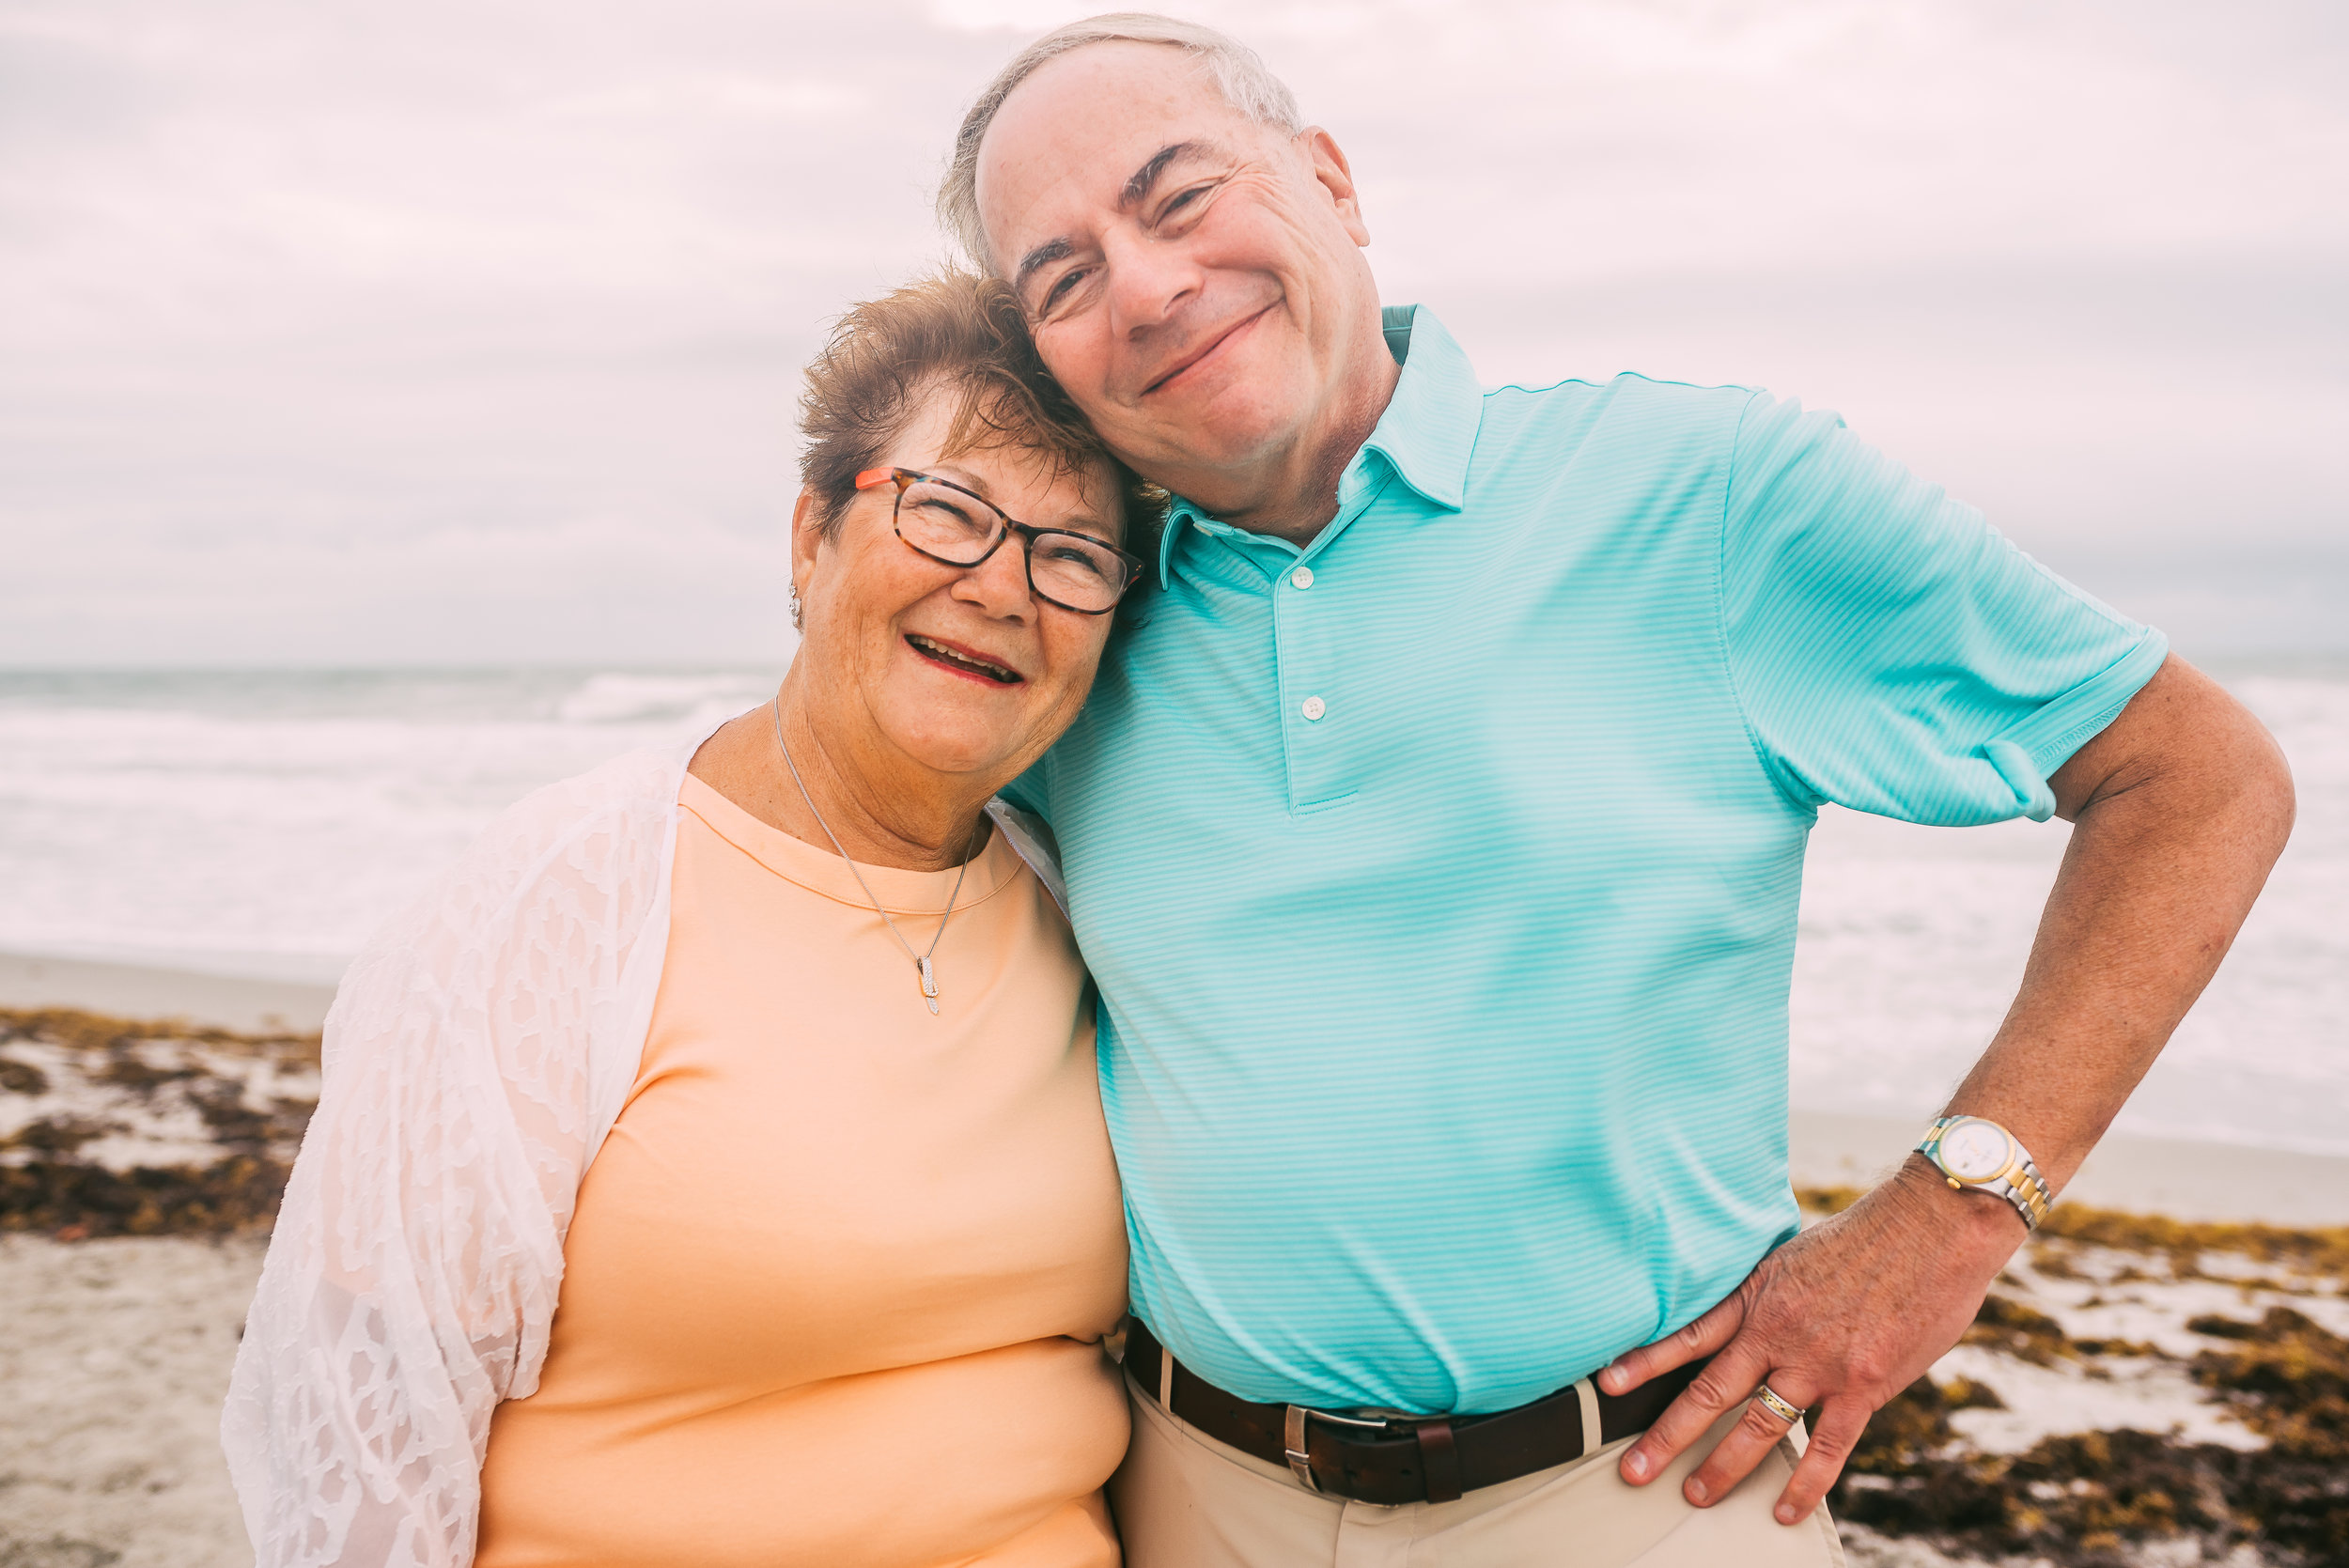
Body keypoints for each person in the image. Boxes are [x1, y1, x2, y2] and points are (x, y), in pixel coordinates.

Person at [938, 16, 2298, 1567]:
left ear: (1331, 182)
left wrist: (1949, 1221)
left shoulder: (1704, 494)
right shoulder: (1061, 624)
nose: (1148, 284)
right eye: (1063, 276)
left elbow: (2197, 774)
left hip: (1647, 1498)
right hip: (1190, 1494)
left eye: (1180, 197)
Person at [222, 272, 1160, 1568]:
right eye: (947, 510)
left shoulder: (1086, 907)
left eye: (1070, 553)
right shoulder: (570, 898)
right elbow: (362, 1427)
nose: (1002, 586)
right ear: (810, 536)